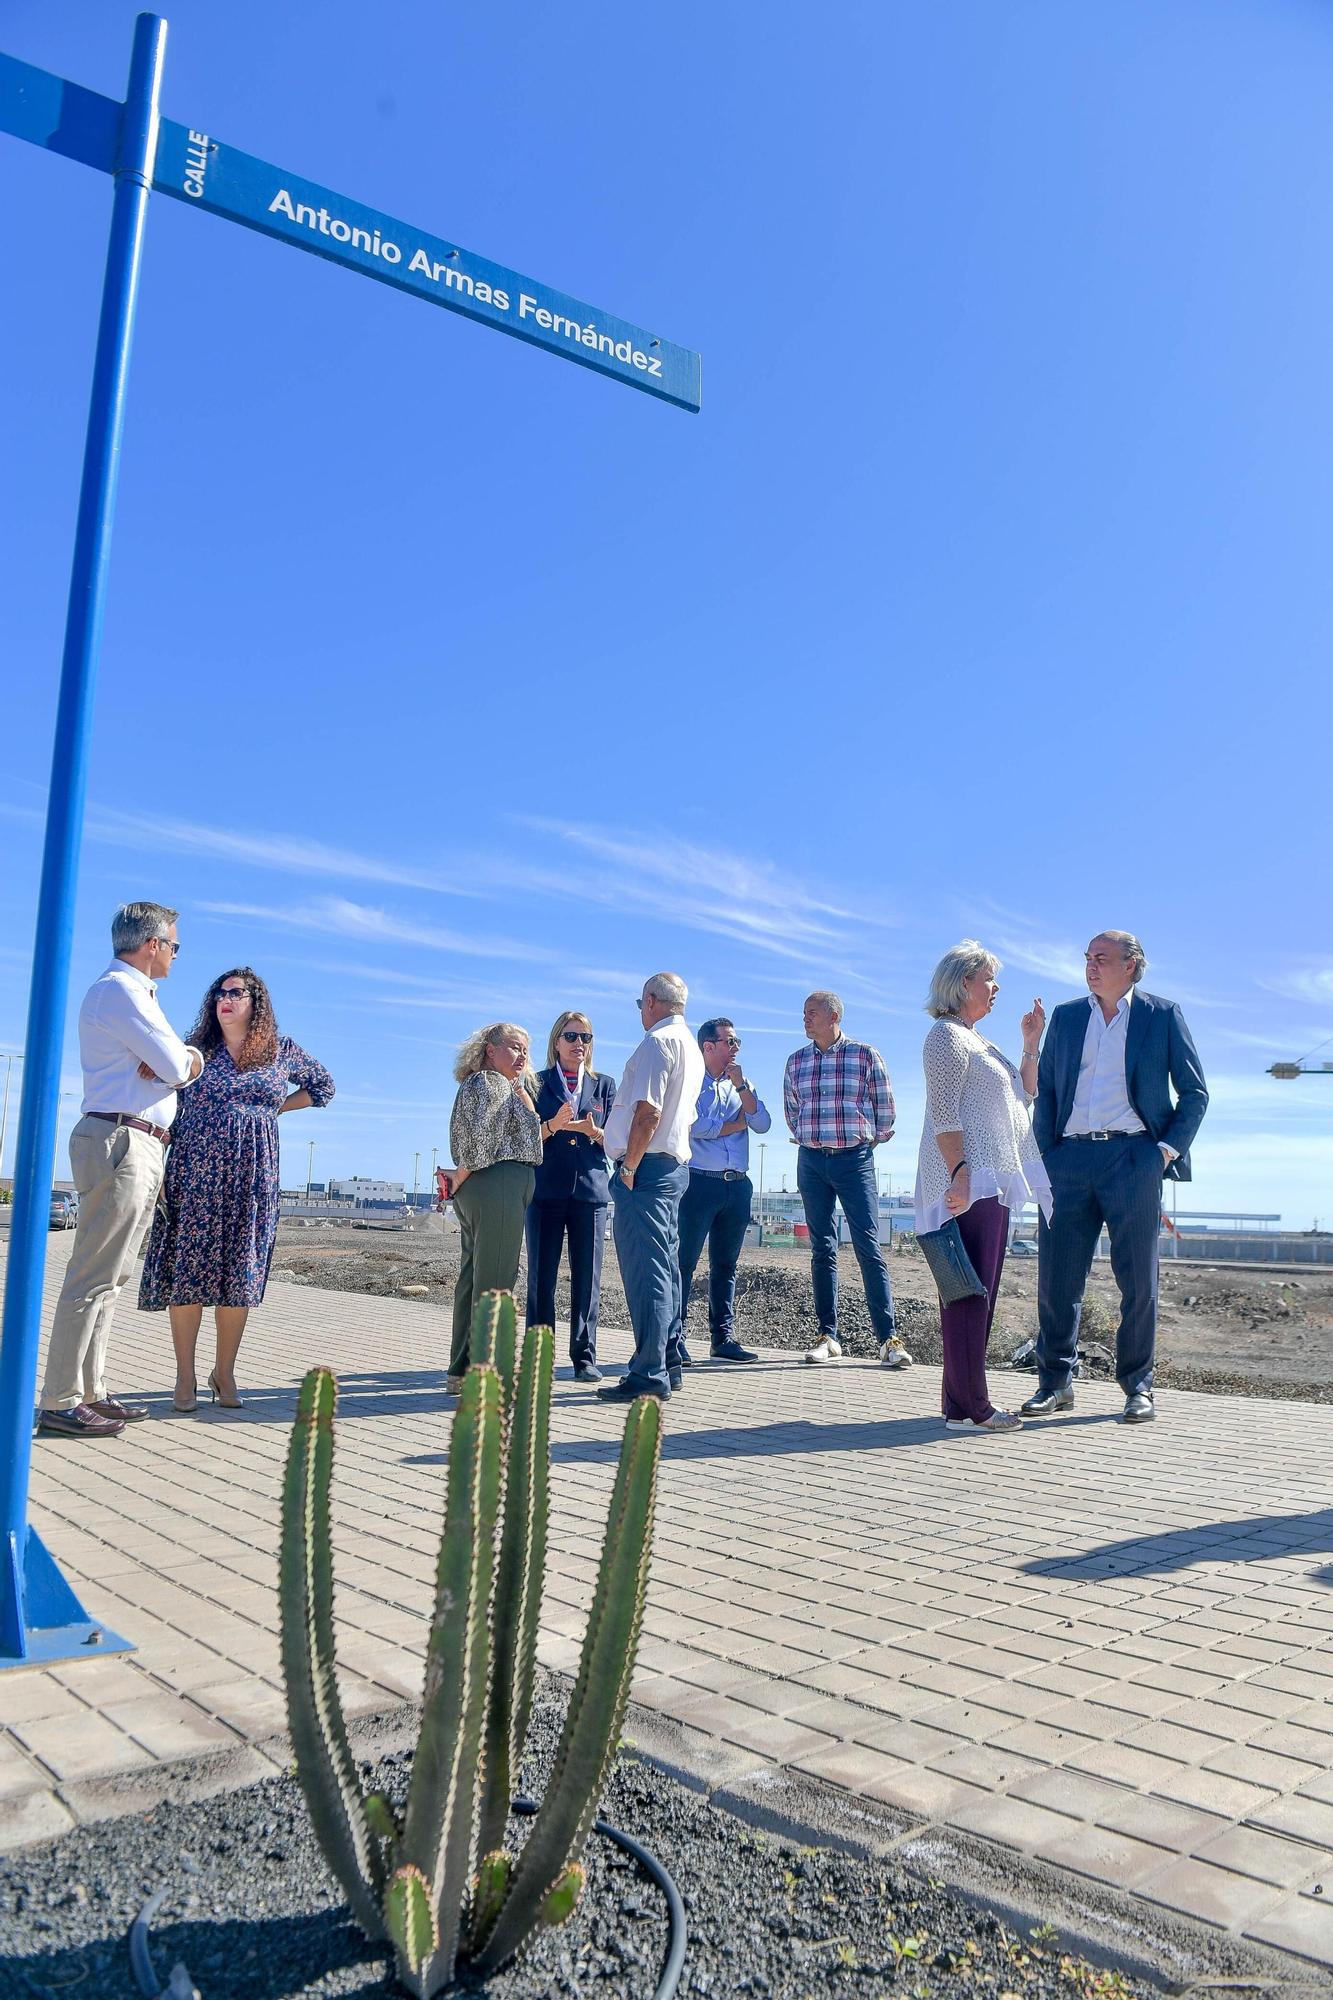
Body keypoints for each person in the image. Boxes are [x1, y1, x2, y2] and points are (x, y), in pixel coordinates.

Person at [1023, 930, 1208, 1425]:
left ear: (1131, 965)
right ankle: (1056, 1383)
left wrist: (1164, 1151)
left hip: (1134, 1159)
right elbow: (1048, 1094)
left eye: (1101, 958)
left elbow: (1195, 1093)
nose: (1091, 965)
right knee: (1057, 1279)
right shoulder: (1066, 1016)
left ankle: (1138, 1388)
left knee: (1138, 1281)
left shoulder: (1161, 1015)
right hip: (1068, 1160)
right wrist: (1045, 1156)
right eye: (1087, 957)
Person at [36, 903, 203, 1438]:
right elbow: (179, 1067)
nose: (176, 955)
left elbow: (169, 1065)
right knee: (92, 1275)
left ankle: (91, 1390)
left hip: (139, 1140)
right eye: (174, 945)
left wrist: (173, 1061)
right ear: (152, 944)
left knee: (113, 1275)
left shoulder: (137, 996)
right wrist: (186, 1059)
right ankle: (60, 1399)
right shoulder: (121, 992)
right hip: (121, 1138)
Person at [139, 968, 334, 1410]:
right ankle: (185, 1378)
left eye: (236, 993)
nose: (225, 999)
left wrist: (273, 1110)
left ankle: (224, 1373)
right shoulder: (195, 1053)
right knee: (188, 1273)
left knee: (237, 1276)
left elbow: (324, 1087)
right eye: (219, 993)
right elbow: (156, 1087)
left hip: (253, 1175)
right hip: (195, 1172)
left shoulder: (281, 1050)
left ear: (256, 1002)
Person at [915, 943, 1050, 1434]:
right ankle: (976, 1407)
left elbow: (1026, 1095)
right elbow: (944, 1113)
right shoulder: (945, 1037)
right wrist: (961, 1173)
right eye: (989, 979)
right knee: (969, 1295)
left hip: (990, 1181)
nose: (995, 989)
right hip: (970, 1181)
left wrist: (1030, 1043)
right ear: (963, 982)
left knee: (972, 1293)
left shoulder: (977, 1041)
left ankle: (957, 1407)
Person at [783, 991, 911, 1368]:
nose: (805, 1018)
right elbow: (793, 1111)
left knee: (868, 1247)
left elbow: (886, 1112)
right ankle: (828, 1336)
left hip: (854, 1161)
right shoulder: (795, 1062)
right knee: (822, 1248)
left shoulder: (865, 1055)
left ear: (834, 1015)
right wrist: (812, 1136)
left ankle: (888, 1340)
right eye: (803, 1012)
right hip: (810, 1161)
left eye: (812, 1013)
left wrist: (868, 1138)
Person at [597, 973, 704, 1403]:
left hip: (647, 1171)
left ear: (653, 1001)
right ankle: (669, 1362)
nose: (640, 1011)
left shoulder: (658, 1043)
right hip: (671, 1167)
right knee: (666, 1270)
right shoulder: (691, 1047)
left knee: (648, 1274)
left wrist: (629, 1168)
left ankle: (648, 1373)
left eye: (640, 1003)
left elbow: (647, 1114)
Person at [446, 1022, 542, 1391]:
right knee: (497, 1283)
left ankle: (463, 1369)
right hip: (497, 1183)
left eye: (525, 1050)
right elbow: (482, 1143)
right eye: (514, 1048)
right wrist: (461, 1175)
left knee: (474, 1280)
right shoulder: (491, 1084)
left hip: (488, 1187)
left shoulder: (495, 1085)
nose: (522, 1056)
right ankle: (489, 1374)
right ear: (490, 1049)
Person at [525, 1011, 617, 1383]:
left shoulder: (604, 1086)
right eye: (572, 1036)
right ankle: (538, 1358)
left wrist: (595, 1133)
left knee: (587, 1279)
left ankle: (585, 1357)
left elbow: (618, 1143)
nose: (580, 1044)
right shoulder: (535, 1084)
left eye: (586, 1038)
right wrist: (553, 1127)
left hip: (590, 1193)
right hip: (545, 1190)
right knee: (541, 1278)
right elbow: (524, 1139)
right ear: (556, 1042)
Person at [677, 1017, 771, 1365]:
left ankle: (723, 1338)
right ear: (708, 1047)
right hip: (699, 1183)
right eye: (729, 1042)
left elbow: (762, 1123)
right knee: (684, 1263)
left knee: (726, 1265)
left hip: (738, 1185)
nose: (735, 1048)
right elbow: (696, 1126)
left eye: (737, 1042)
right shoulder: (690, 1083)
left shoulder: (741, 1084)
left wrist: (743, 1088)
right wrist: (734, 1124)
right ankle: (676, 1338)